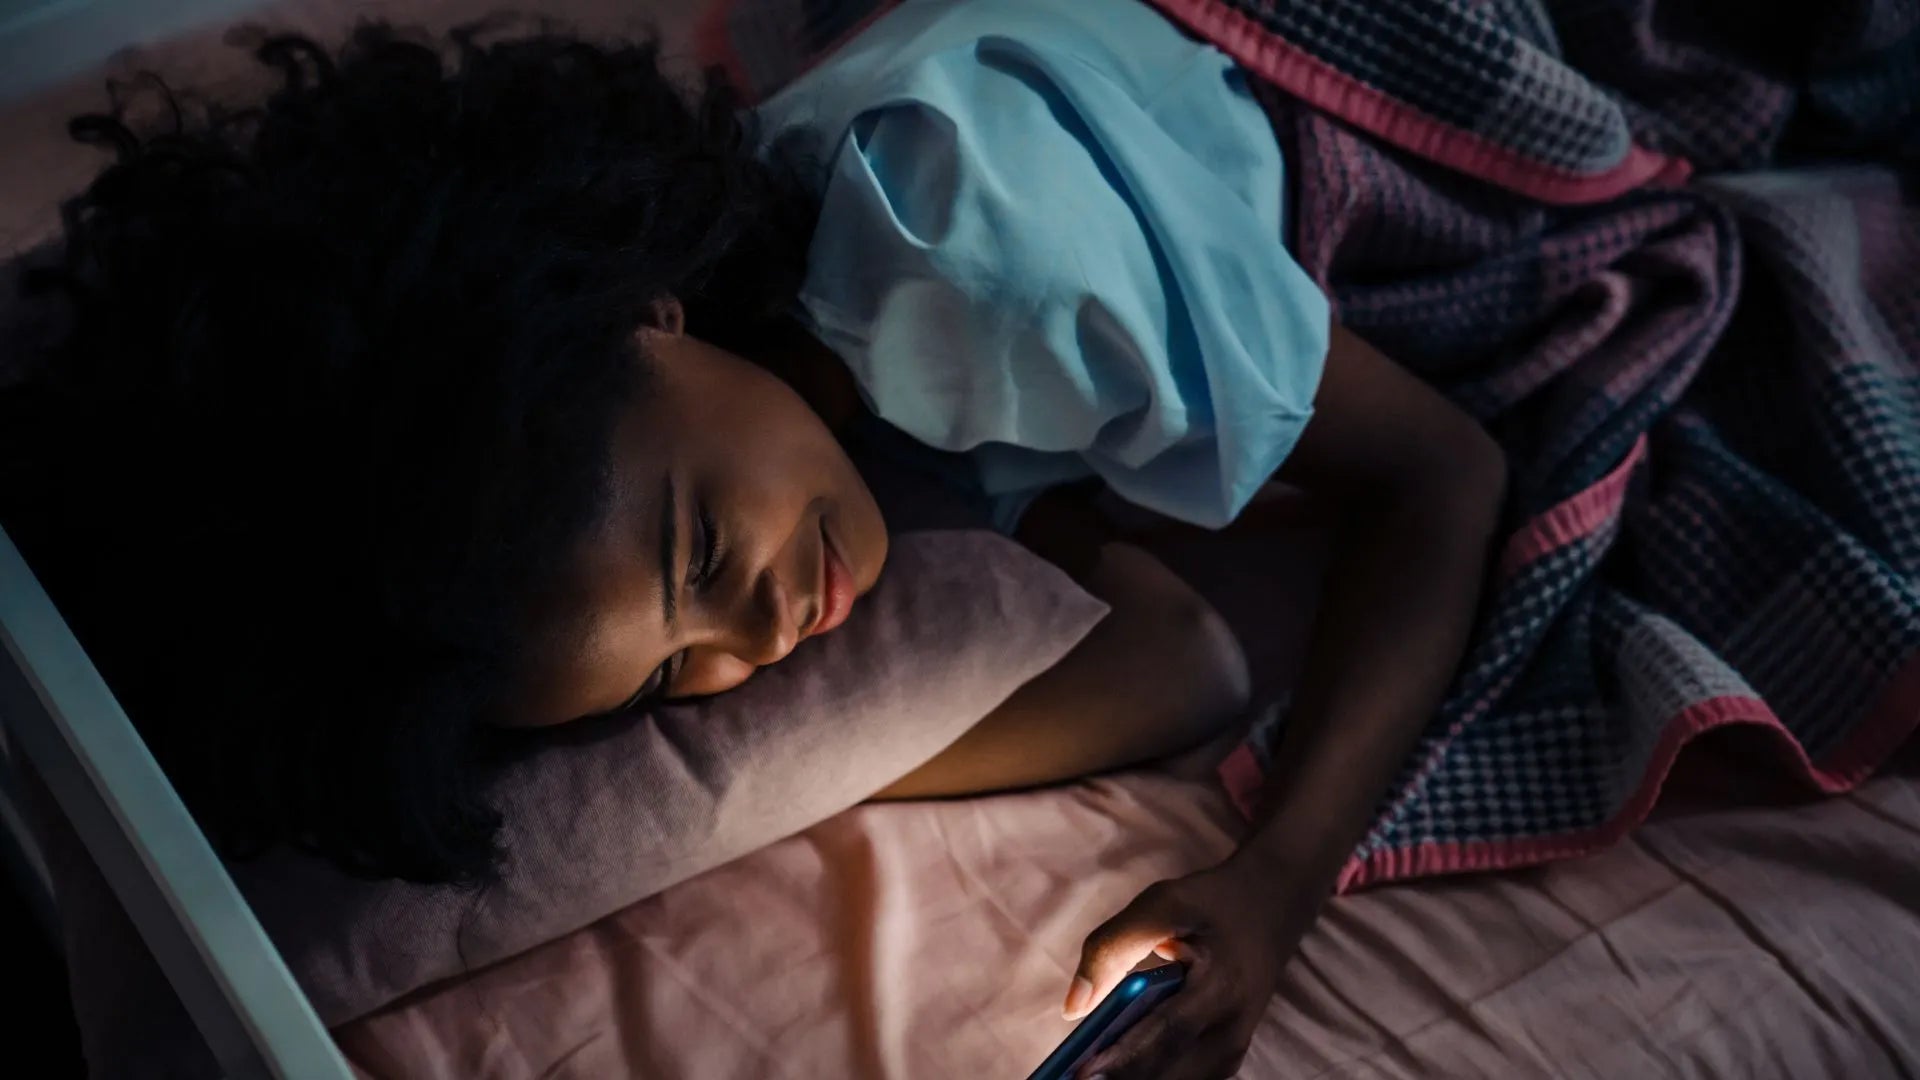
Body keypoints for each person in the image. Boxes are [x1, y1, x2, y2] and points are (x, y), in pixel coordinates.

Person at [0, 3, 1504, 1076]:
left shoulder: (983, 267)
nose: (765, 639)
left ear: (641, 303)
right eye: (670, 683)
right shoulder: (794, 393)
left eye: (705, 553)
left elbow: (1446, 475)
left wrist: (1278, 884)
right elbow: (1160, 636)